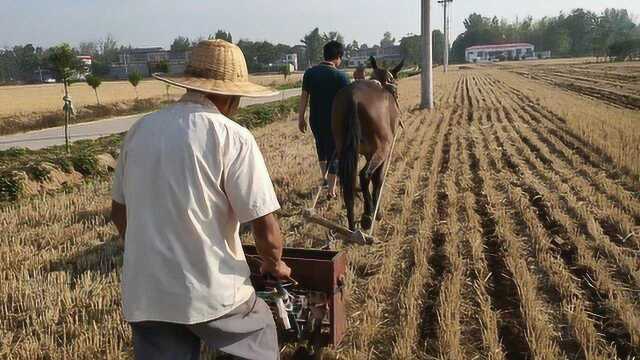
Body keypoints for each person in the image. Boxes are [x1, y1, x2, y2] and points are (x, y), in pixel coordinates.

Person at [110, 39, 291, 360]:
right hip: (212, 292)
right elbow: (264, 226)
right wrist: (274, 263)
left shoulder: (140, 130)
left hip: (147, 293)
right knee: (260, 332)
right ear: (230, 95)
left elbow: (119, 213)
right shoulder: (232, 136)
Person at [298, 41, 350, 198]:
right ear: (338, 57)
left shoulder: (310, 73)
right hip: (335, 122)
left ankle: (325, 180)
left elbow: (304, 97)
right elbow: (348, 102)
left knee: (321, 148)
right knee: (334, 152)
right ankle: (332, 190)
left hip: (316, 120)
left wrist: (301, 117)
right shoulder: (341, 76)